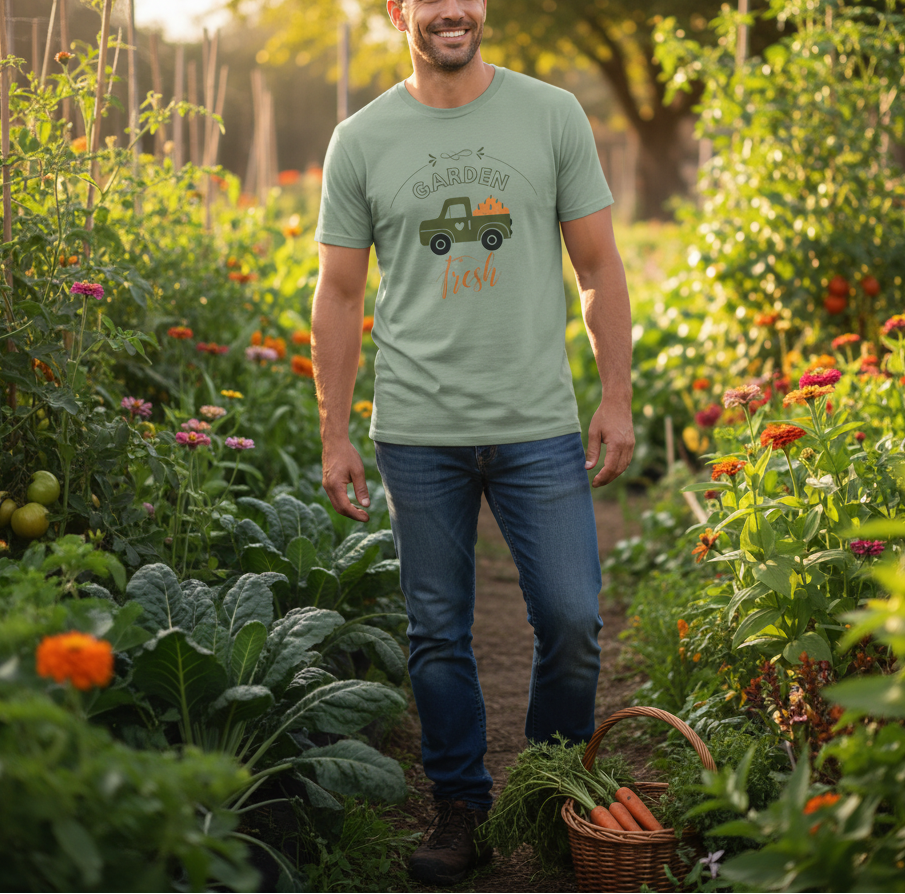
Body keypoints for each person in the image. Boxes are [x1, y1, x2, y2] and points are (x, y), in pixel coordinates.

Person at [311, 0, 635, 884]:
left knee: (572, 620)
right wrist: (333, 432)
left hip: (538, 424)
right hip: (418, 431)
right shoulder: (362, 137)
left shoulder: (552, 114)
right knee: (437, 632)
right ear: (398, 11)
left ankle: (552, 788)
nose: (453, 8)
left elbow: (599, 267)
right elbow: (339, 293)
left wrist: (615, 398)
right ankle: (462, 806)